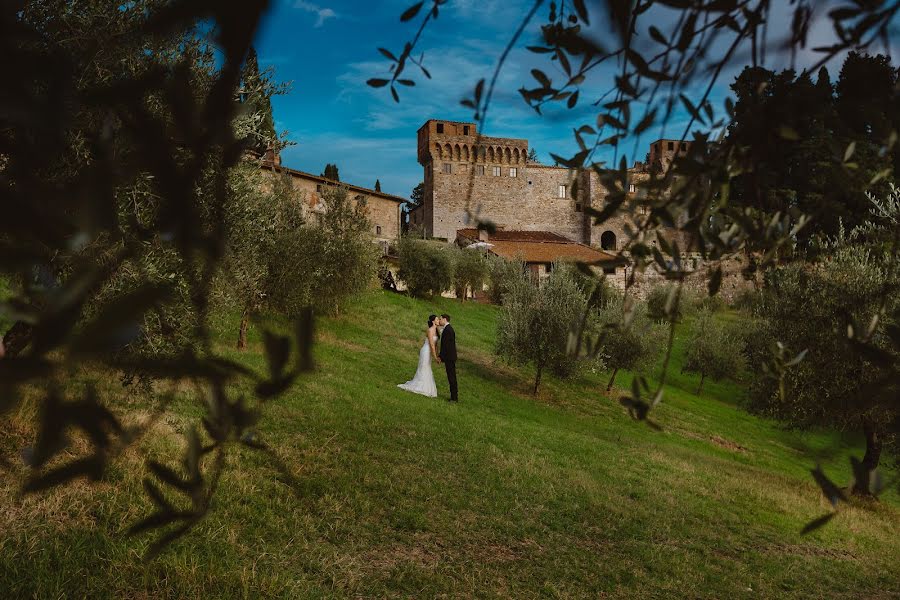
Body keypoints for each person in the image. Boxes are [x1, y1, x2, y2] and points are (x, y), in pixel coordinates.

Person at [397, 314, 439, 397]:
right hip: (426, 351)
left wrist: (436, 354)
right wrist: (435, 357)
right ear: (433, 321)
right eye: (437, 319)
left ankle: (427, 387)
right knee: (423, 367)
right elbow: (431, 344)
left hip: (430, 352)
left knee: (427, 367)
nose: (438, 321)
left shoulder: (437, 330)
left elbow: (436, 344)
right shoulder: (430, 330)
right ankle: (420, 386)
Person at [436, 314, 458, 402]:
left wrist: (441, 357)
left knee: (451, 377)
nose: (440, 321)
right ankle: (454, 397)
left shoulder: (448, 330)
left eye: (440, 319)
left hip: (450, 358)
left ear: (445, 319)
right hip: (449, 357)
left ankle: (454, 398)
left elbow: (446, 346)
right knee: (451, 377)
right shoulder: (447, 329)